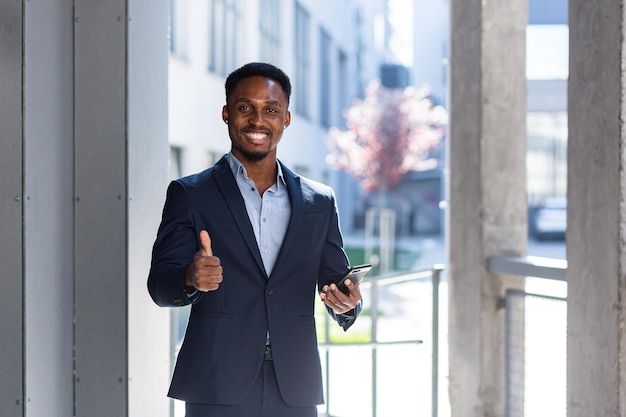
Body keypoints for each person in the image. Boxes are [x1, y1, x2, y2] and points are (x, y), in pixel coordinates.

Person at [147, 62, 363, 417]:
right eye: (246, 107)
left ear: (286, 119)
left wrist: (347, 302)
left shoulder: (319, 201)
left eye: (271, 110)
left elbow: (336, 285)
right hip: (215, 382)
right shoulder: (190, 194)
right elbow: (159, 286)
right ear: (227, 113)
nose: (258, 120)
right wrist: (188, 277)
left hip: (294, 384)